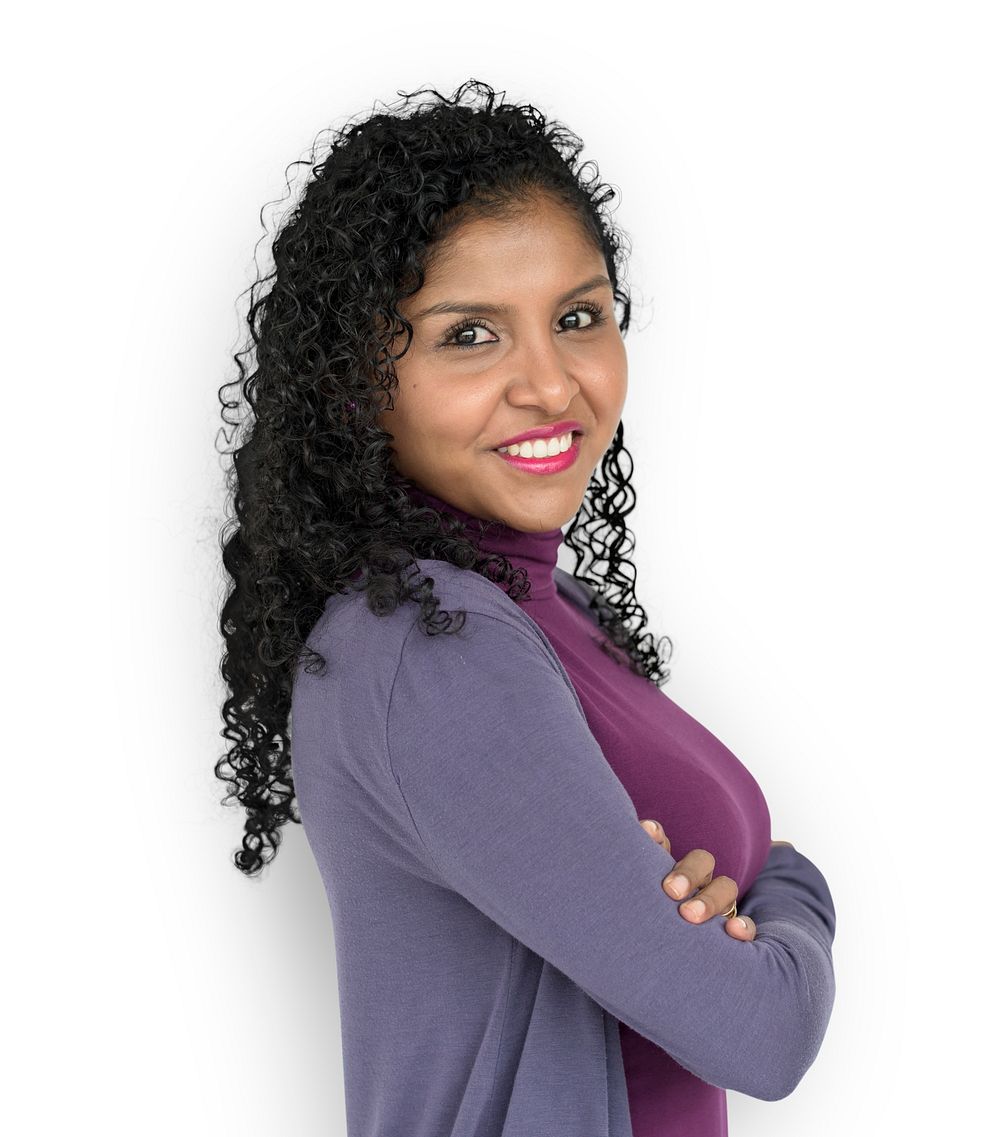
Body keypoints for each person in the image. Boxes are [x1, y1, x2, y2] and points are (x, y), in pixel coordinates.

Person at [215, 78, 836, 1137]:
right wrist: (792, 901)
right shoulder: (429, 646)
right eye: (469, 335)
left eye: (577, 317)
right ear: (357, 378)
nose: (551, 385)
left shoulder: (539, 608)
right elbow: (761, 1036)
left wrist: (728, 907)